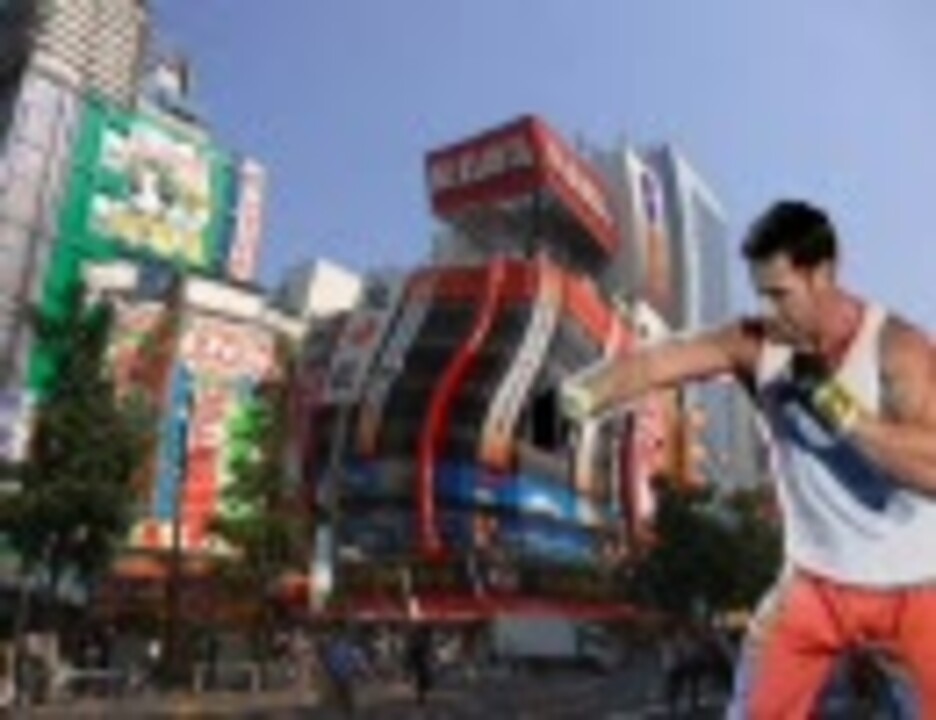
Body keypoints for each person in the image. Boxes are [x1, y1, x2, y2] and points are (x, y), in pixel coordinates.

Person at [560, 200, 936, 719]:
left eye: (780, 295)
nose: (769, 311)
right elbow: (651, 365)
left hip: (915, 586)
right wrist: (562, 406)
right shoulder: (756, 345)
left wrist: (842, 411)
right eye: (761, 294)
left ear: (823, 275)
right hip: (816, 584)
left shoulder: (898, 350)